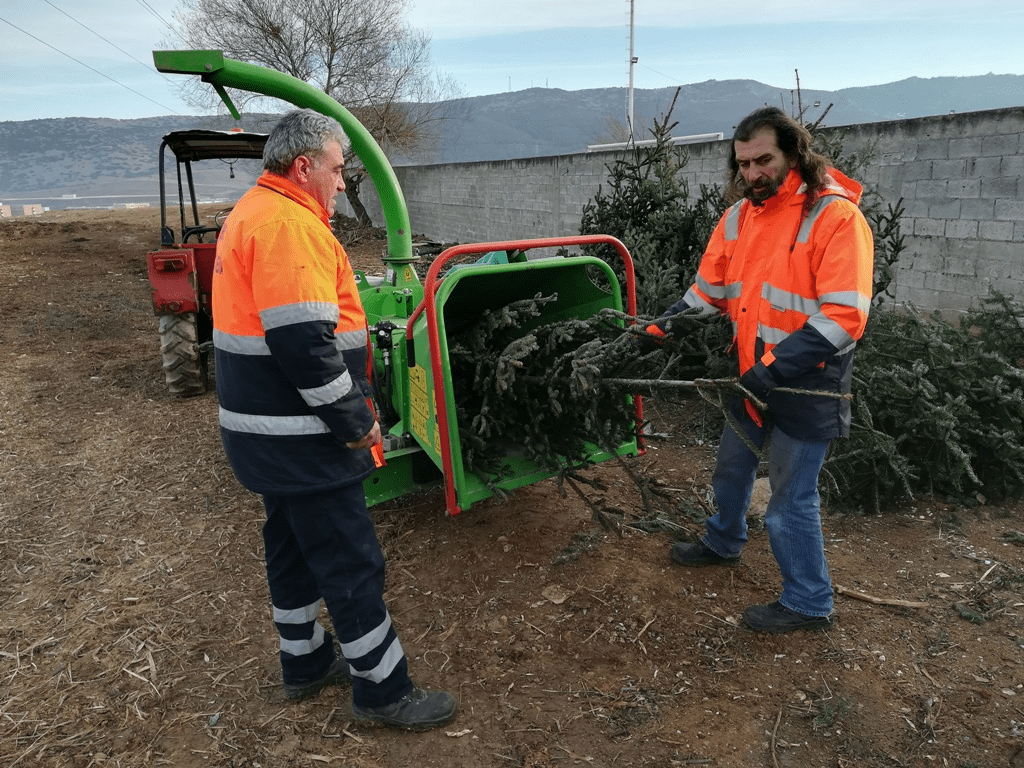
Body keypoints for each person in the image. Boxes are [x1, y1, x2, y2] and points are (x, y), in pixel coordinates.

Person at [212, 108, 457, 728]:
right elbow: (304, 344)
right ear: (304, 167)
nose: (344, 182)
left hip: (264, 435)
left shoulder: (251, 214)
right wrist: (354, 420)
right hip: (303, 437)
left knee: (291, 546)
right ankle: (384, 692)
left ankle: (305, 661)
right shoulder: (288, 227)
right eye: (338, 168)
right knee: (349, 560)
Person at [647, 106, 874, 633]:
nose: (753, 174)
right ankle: (723, 541)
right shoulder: (738, 218)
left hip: (809, 383)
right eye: (744, 163)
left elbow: (845, 316)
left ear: (794, 154)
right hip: (750, 376)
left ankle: (809, 602)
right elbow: (708, 293)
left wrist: (772, 368)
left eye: (764, 160)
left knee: (790, 500)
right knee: (730, 468)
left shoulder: (835, 218)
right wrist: (657, 329)